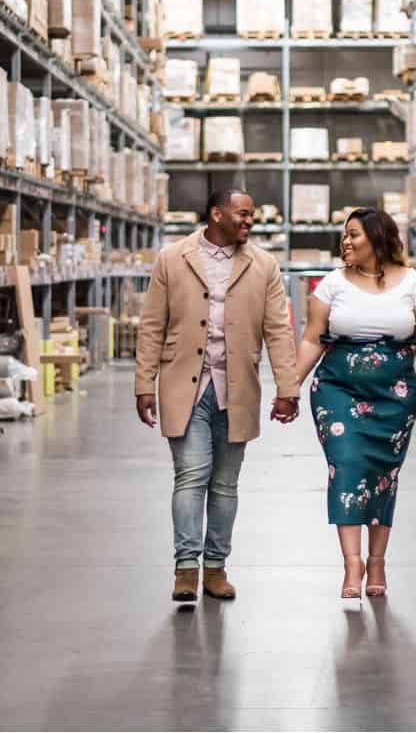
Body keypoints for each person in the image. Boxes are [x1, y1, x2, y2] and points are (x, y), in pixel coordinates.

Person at [134, 188, 299, 603]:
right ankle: (186, 568)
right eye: (242, 213)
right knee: (191, 475)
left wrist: (287, 387)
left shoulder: (264, 265)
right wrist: (143, 383)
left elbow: (278, 329)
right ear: (216, 214)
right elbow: (152, 325)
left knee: (225, 484)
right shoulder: (173, 258)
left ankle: (216, 568)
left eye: (252, 215)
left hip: (236, 387)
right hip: (183, 384)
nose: (249, 221)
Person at [292, 207, 416, 599]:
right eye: (344, 235)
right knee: (345, 465)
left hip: (394, 396)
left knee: (383, 474)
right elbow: (313, 338)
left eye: (354, 235)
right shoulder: (331, 285)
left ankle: (377, 561)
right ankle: (352, 564)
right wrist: (288, 386)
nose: (345, 241)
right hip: (336, 389)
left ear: (378, 238)